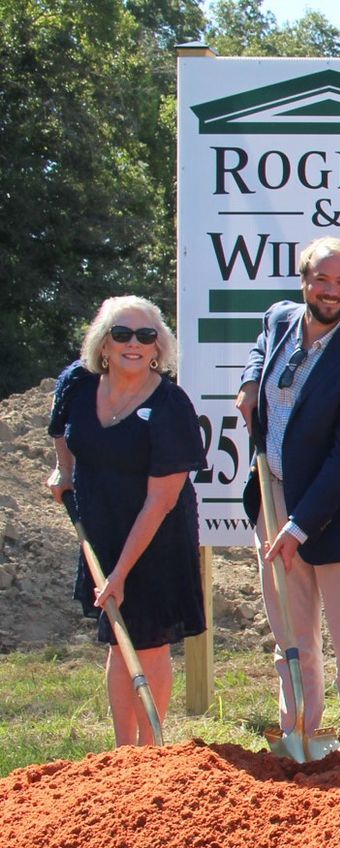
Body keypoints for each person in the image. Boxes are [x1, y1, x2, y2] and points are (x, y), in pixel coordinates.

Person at [237, 237, 340, 740]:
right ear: (304, 280)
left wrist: (299, 526)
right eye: (322, 280)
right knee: (291, 638)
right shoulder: (280, 319)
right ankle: (299, 736)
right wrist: (248, 384)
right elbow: (261, 347)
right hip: (276, 492)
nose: (331, 292)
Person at [45, 297, 205, 746]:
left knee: (147, 641)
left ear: (158, 347)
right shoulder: (78, 383)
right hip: (103, 528)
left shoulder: (171, 406)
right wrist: (66, 471)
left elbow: (161, 500)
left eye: (145, 335)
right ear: (104, 343)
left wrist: (119, 573)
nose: (133, 344)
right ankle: (122, 755)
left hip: (157, 538)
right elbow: (62, 428)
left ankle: (150, 755)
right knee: (119, 639)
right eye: (122, 334)